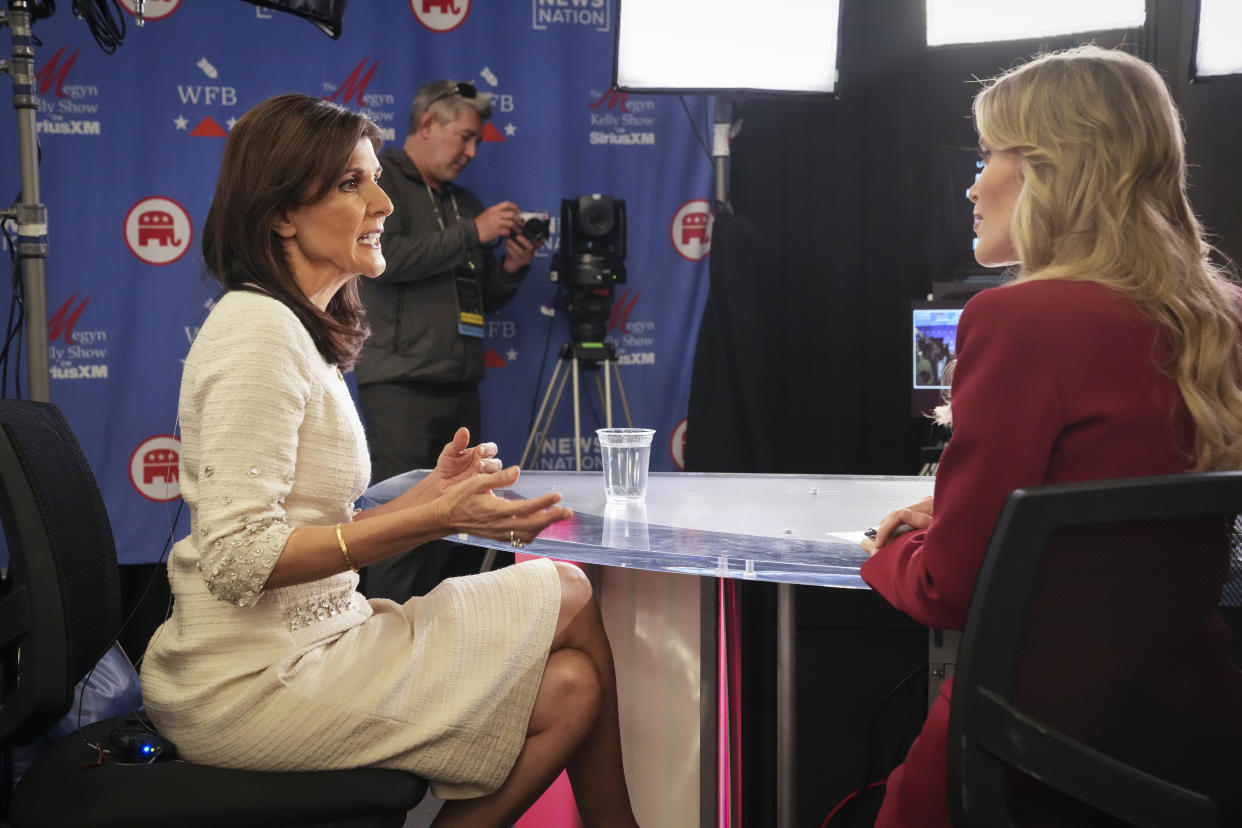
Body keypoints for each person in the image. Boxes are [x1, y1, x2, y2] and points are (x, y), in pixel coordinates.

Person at [139, 93, 638, 828]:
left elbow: (314, 522)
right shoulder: (257, 333)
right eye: (351, 185)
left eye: (375, 179)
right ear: (280, 213)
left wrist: (425, 501)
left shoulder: (297, 330)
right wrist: (434, 518)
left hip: (324, 633)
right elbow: (240, 559)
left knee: (570, 687)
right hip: (251, 679)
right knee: (566, 588)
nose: (382, 203)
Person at [859, 46, 1242, 827]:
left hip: (1023, 754)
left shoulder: (1017, 320)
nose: (972, 183)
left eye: (988, 154)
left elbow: (946, 588)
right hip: (1188, 744)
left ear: (1050, 169)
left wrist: (885, 553)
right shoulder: (1223, 315)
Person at [355, 79, 542, 601]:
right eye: (464, 136)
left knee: (450, 533)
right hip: (401, 385)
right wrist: (470, 235)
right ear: (427, 125)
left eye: (478, 141)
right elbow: (383, 262)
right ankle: (383, 656)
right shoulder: (377, 181)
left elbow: (477, 298)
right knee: (403, 532)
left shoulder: (465, 203)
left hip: (459, 384)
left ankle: (437, 656)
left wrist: (509, 268)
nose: (471, 151)